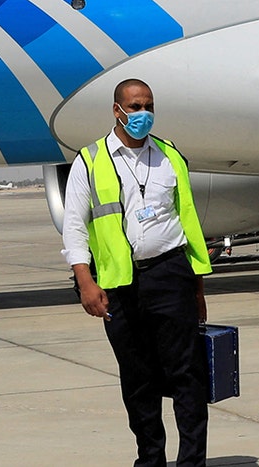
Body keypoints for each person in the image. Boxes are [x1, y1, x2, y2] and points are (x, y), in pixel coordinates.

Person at [62, 78, 212, 466]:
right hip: (120, 284)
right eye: (134, 107)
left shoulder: (169, 156)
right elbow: (75, 227)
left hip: (171, 273)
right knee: (138, 380)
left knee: (187, 377)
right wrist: (85, 281)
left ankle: (192, 461)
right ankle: (150, 460)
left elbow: (188, 222)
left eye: (148, 106)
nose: (142, 114)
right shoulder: (90, 160)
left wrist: (197, 287)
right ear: (117, 111)